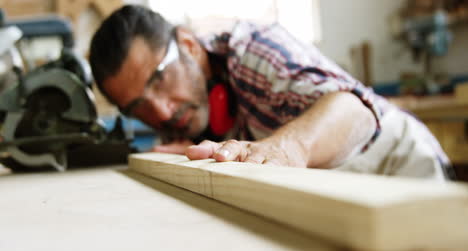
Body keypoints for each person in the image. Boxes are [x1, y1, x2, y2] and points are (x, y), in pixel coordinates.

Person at [89, 5, 452, 180]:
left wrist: (287, 148)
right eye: (137, 106)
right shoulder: (173, 107)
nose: (163, 113)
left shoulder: (255, 51)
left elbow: (354, 111)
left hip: (397, 168)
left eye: (159, 80)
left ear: (189, 45)